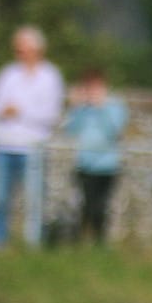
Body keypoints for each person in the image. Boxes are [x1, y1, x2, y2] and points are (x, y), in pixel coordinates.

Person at [0, 25, 64, 246]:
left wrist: (21, 111)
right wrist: (5, 111)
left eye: (23, 49)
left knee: (34, 201)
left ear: (37, 49)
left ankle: (32, 243)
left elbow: (51, 114)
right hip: (4, 145)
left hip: (33, 147)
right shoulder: (8, 74)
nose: (19, 54)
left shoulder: (50, 76)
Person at [61, 69, 127, 243]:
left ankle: (99, 241)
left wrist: (101, 108)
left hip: (107, 165)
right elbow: (70, 130)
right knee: (83, 206)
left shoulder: (115, 106)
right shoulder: (82, 110)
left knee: (100, 207)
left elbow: (115, 131)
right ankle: (79, 240)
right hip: (85, 163)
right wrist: (76, 107)